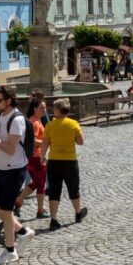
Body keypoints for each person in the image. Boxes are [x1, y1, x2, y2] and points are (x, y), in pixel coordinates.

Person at [0, 86, 35, 265]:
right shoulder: (0, 116)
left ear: (9, 100)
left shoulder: (17, 119)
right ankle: (22, 232)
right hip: (1, 168)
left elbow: (10, 148)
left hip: (14, 170)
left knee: (6, 211)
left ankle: (10, 251)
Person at [41, 98, 87, 231]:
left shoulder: (50, 125)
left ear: (57, 110)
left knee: (54, 191)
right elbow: (80, 142)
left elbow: (45, 143)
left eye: (54, 109)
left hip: (54, 162)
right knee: (73, 188)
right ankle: (78, 214)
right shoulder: (73, 124)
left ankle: (53, 220)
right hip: (70, 161)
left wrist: (42, 156)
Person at [14, 98, 49, 219]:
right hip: (36, 157)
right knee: (41, 184)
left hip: (31, 157)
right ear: (35, 109)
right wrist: (46, 142)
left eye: (45, 108)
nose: (44, 110)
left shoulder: (34, 120)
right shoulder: (34, 122)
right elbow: (32, 141)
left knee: (36, 182)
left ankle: (18, 201)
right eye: (41, 108)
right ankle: (40, 211)